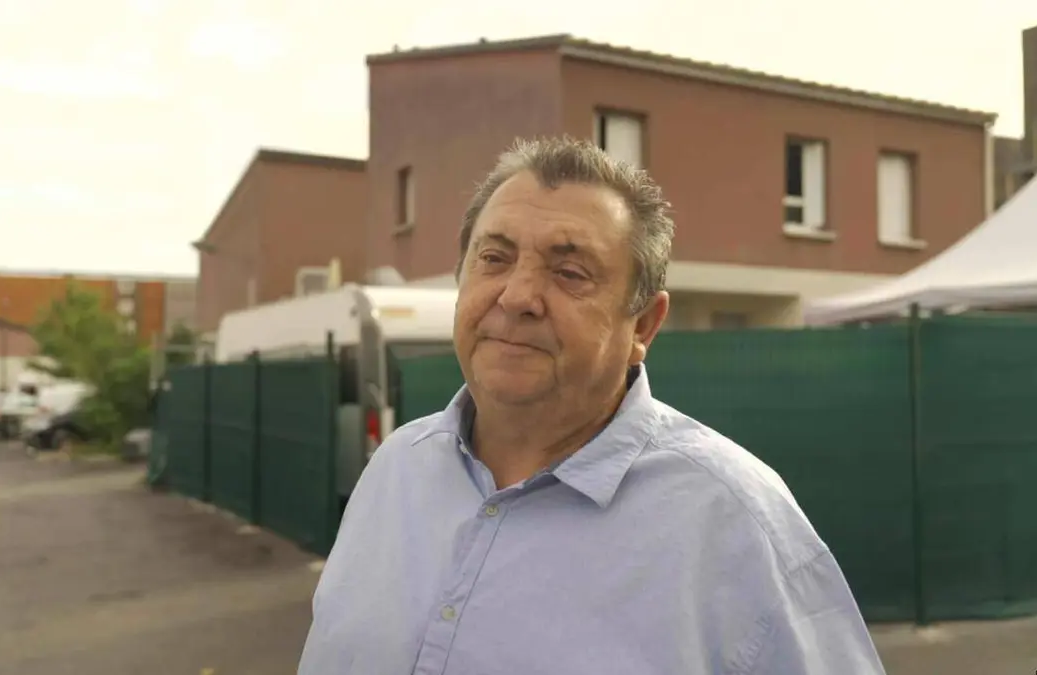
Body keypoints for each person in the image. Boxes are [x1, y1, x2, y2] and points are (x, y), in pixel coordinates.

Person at [297, 136, 886, 674]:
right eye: (494, 258)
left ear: (643, 326)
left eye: (570, 272)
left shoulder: (736, 526)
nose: (518, 296)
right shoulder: (395, 468)